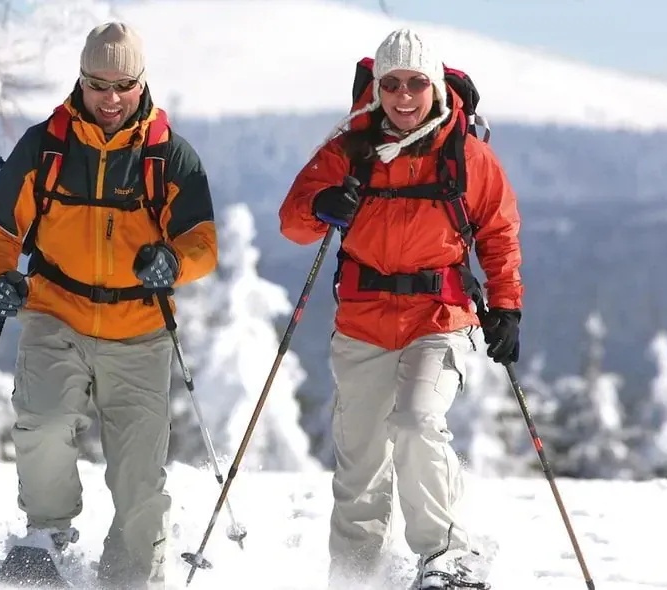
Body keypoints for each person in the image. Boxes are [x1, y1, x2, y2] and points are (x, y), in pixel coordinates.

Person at [0, 21, 218, 590]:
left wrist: (173, 263)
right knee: (44, 420)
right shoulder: (46, 147)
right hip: (56, 311)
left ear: (141, 83)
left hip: (140, 329)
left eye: (123, 85)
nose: (110, 98)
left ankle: (129, 575)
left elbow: (202, 241)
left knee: (138, 477)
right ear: (80, 81)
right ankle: (46, 538)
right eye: (98, 85)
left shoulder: (169, 156)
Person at [276, 28, 523, 590]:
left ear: (434, 86)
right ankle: (355, 577)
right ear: (377, 89)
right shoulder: (350, 150)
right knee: (360, 463)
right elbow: (293, 223)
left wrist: (507, 307)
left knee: (416, 422)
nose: (404, 96)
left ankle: (446, 557)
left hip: (438, 318)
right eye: (391, 84)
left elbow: (499, 233)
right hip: (362, 323)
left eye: (416, 83)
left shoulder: (467, 155)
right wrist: (322, 203)